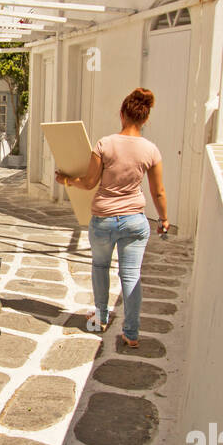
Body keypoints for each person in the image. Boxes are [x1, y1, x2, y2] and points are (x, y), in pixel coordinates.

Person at [56, 88, 168, 348]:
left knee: (100, 267)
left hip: (104, 219)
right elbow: (158, 191)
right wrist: (163, 218)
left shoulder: (104, 144)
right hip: (134, 221)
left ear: (122, 114)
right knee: (131, 276)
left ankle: (101, 318)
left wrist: (66, 180)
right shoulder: (151, 150)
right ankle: (131, 333)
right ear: (145, 119)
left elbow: (89, 183)